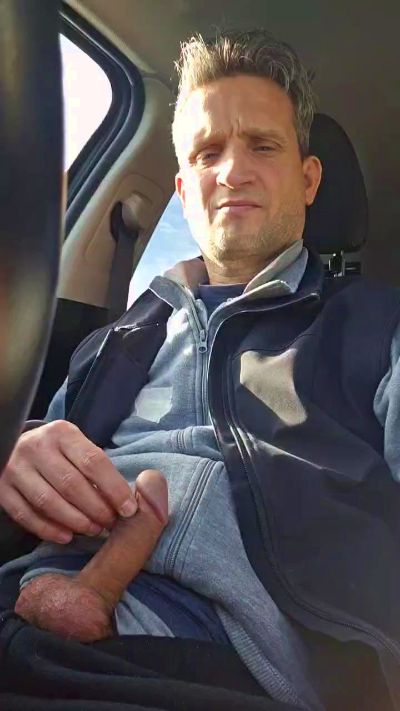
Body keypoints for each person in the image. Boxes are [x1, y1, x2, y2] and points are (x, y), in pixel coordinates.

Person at [0, 29, 400, 711]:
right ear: (184, 191)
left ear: (309, 181)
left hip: (229, 667)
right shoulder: (112, 342)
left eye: (262, 146)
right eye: (208, 153)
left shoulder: (378, 326)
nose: (233, 172)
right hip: (30, 604)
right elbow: (35, 465)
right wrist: (19, 451)